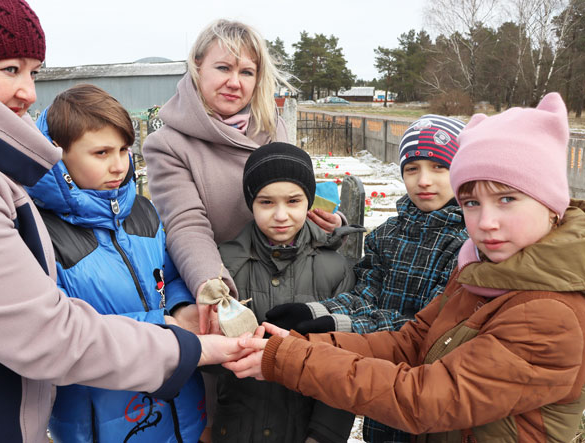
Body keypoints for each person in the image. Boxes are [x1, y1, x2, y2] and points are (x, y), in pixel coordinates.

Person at [0, 0, 248, 442]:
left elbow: (162, 272)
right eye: (10, 69)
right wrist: (186, 342)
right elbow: (48, 333)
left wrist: (179, 304)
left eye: (33, 72)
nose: (29, 92)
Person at [225, 92, 585, 442]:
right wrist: (304, 342)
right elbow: (412, 340)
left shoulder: (549, 314)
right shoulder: (480, 269)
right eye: (472, 202)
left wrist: (294, 360)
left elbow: (426, 400)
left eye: (507, 199)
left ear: (551, 202)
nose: (486, 222)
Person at [266, 115, 468, 442]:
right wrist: (316, 312)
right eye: (412, 169)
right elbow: (365, 296)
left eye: (438, 167)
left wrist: (340, 328)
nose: (424, 180)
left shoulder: (465, 246)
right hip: (377, 392)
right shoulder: (388, 235)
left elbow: (423, 330)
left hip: (429, 398)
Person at [26, 84, 205, 443]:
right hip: (101, 419)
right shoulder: (41, 232)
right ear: (59, 157)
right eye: (101, 152)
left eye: (124, 149)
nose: (118, 164)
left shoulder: (142, 211)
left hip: (179, 403)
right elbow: (62, 329)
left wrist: (183, 305)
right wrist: (161, 326)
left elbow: (168, 274)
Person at [142, 19, 343, 336]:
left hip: (288, 282)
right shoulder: (170, 144)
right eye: (223, 68)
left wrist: (322, 219)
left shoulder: (271, 125)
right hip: (231, 287)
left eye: (246, 72)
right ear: (197, 67)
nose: (235, 82)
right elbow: (186, 223)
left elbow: (291, 192)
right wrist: (213, 287)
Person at [212, 142, 357, 443]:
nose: (281, 215)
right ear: (251, 203)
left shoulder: (336, 269)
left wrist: (324, 435)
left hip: (305, 429)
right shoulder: (223, 266)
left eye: (293, 201)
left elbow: (344, 359)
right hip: (236, 429)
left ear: (309, 201)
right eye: (266, 202)